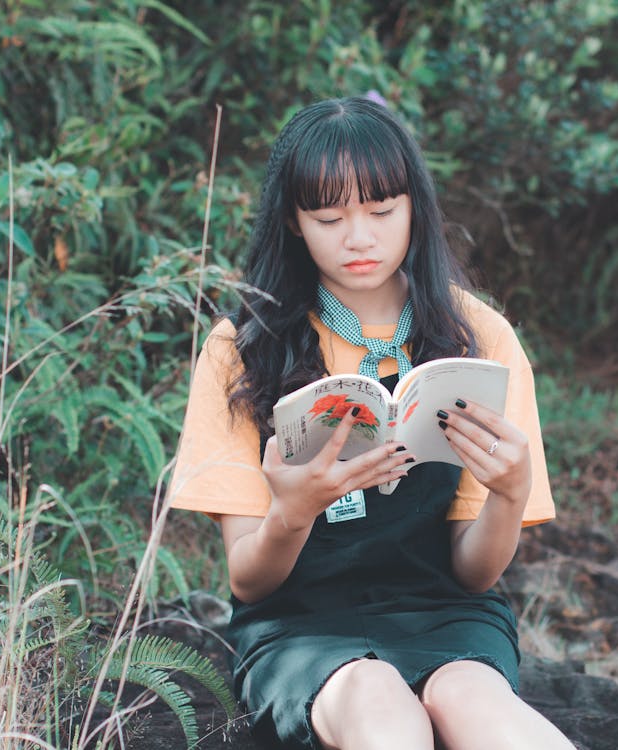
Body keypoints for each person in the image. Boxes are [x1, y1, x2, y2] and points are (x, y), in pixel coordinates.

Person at [170, 96, 574, 750]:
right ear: (295, 222)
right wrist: (294, 511)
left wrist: (508, 492)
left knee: (478, 706)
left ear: (415, 207)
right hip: (300, 625)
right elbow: (248, 579)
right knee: (380, 708)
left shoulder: (479, 339)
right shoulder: (240, 350)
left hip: (447, 614)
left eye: (382, 211)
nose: (359, 237)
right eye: (328, 216)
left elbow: (475, 574)